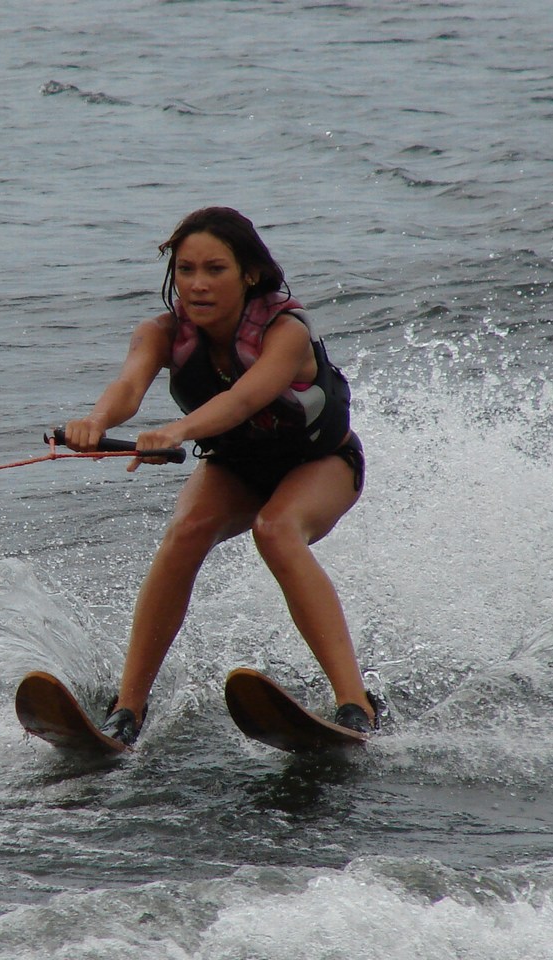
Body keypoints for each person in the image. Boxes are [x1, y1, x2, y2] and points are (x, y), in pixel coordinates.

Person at [62, 206, 379, 746]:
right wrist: (95, 422)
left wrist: (176, 431)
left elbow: (244, 399)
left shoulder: (286, 334)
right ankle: (127, 711)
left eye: (215, 269)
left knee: (275, 529)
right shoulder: (160, 333)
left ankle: (356, 705)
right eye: (186, 270)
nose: (197, 285)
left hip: (321, 463)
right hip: (237, 466)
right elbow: (128, 388)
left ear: (249, 274)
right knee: (185, 532)